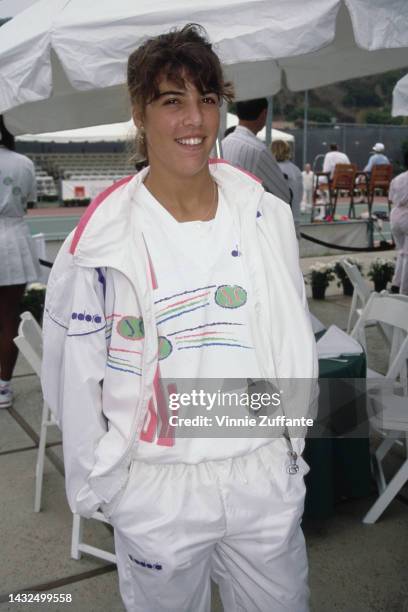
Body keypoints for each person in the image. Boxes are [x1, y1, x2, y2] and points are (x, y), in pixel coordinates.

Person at [42, 24, 317, 612]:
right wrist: (106, 489)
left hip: (261, 473)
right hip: (156, 488)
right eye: (172, 101)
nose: (195, 120)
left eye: (207, 99)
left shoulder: (265, 215)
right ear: (139, 113)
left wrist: (292, 445)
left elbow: (293, 340)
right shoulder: (98, 242)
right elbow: (71, 375)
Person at [0, 116, 40, 408]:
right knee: (8, 317)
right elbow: (28, 200)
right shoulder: (22, 162)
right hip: (12, 241)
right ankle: (3, 385)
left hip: (11, 234)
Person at [221, 98, 290, 203]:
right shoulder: (258, 151)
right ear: (264, 114)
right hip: (248, 216)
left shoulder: (223, 143)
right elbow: (284, 195)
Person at [271, 139, 303, 236]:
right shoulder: (295, 170)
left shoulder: (269, 169)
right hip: (294, 218)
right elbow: (300, 195)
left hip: (274, 219)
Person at [389, 152, 408, 295]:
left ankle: (396, 283)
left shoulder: (397, 179)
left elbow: (391, 198)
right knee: (406, 255)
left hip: (395, 215)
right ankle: (404, 290)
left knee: (401, 252)